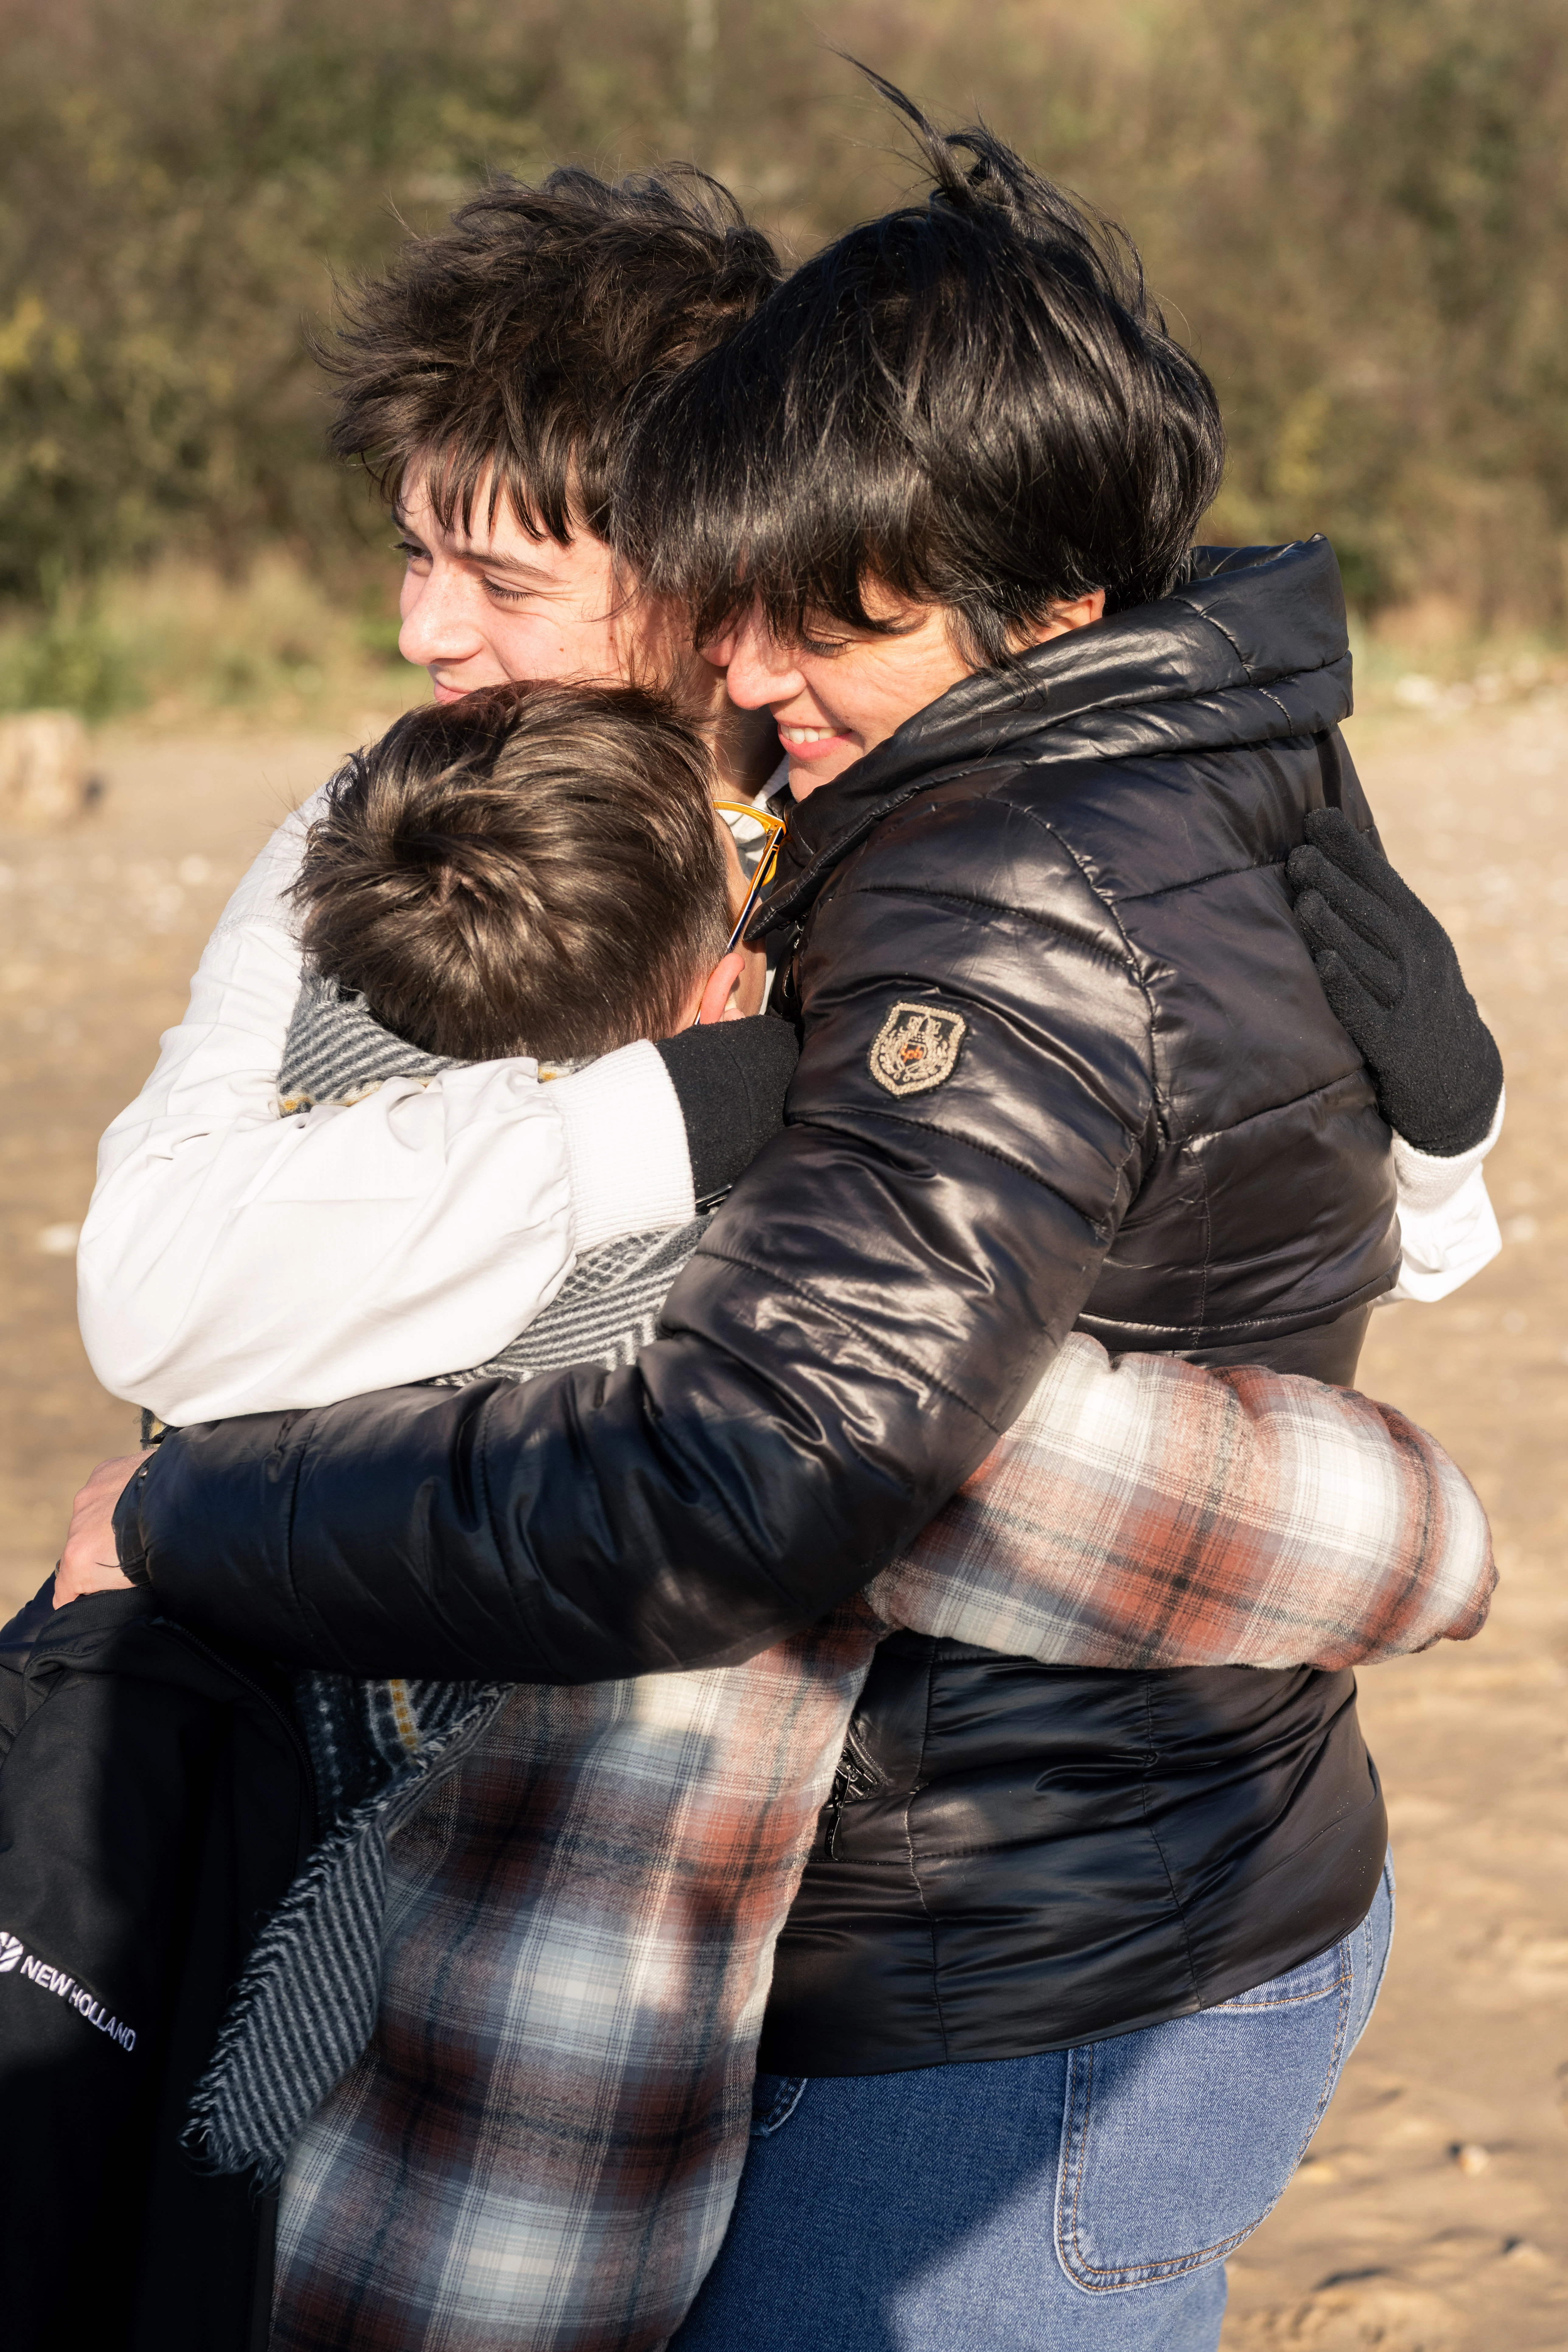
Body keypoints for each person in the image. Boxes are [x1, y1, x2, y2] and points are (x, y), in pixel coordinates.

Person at [67, 106, 1506, 2350]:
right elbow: (162, 1293)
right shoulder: (405, 839)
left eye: (504, 572)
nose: (421, 630)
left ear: (727, 544)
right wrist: (677, 1115)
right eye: (410, 548)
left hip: (999, 1969)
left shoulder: (937, 856)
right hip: (640, 1953)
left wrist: (1431, 1191)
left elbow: (1048, 1383)